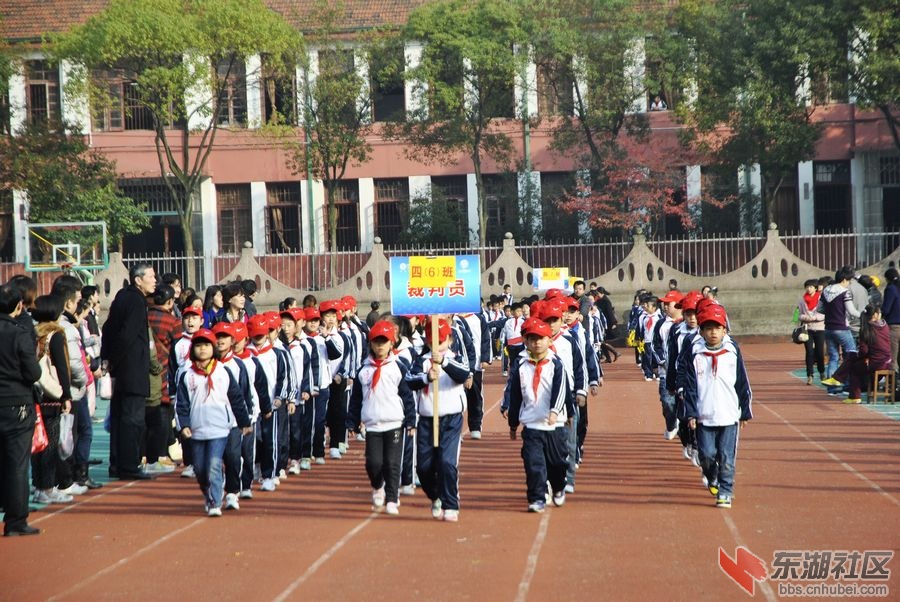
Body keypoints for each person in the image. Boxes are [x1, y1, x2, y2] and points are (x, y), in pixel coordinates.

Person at [682, 303, 752, 509]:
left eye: (718, 328)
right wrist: (692, 413)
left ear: (724, 330)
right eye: (709, 328)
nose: (713, 332)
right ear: (702, 331)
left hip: (729, 415)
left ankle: (725, 491)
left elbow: (742, 382)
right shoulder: (696, 353)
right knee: (706, 455)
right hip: (704, 415)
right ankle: (712, 477)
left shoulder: (732, 352)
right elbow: (690, 386)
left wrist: (745, 411)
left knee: (726, 456)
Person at [175, 329, 251, 517]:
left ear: (213, 348)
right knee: (200, 468)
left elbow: (236, 398)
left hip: (219, 429)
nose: (202, 349)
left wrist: (244, 421)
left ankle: (215, 501)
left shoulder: (223, 372)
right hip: (197, 430)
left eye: (207, 345)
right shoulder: (187, 375)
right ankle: (208, 492)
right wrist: (183, 425)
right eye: (199, 345)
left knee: (214, 464)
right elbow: (182, 404)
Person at [346, 320, 417, 515]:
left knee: (392, 463)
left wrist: (411, 420)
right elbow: (356, 398)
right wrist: (352, 421)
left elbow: (407, 396)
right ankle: (378, 486)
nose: (380, 346)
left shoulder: (398, 367)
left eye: (384, 342)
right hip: (373, 425)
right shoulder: (364, 370)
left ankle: (392, 498)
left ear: (391, 344)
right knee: (374, 463)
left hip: (394, 422)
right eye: (376, 342)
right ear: (370, 344)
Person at [502, 318, 570, 513]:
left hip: (554, 425)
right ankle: (536, 498)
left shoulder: (556, 364)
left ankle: (558, 487)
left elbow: (560, 390)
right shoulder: (521, 366)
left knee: (557, 463)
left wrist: (554, 412)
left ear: (549, 340)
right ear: (526, 341)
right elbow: (515, 397)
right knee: (534, 463)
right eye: (532, 339)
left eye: (541, 338)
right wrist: (513, 425)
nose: (537, 343)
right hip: (532, 425)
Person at [406, 319, 470, 522]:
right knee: (423, 468)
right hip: (426, 419)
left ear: (449, 340)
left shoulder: (455, 357)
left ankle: (451, 503)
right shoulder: (420, 360)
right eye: (433, 341)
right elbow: (409, 381)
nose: (437, 345)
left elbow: (463, 374)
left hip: (451, 419)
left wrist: (444, 363)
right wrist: (426, 378)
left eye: (441, 341)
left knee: (446, 462)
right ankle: (436, 496)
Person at [102, 262, 156, 480]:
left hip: (123, 369)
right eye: (151, 276)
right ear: (138, 279)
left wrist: (109, 357)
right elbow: (127, 334)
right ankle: (129, 465)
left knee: (119, 417)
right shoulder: (135, 300)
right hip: (132, 369)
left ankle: (117, 464)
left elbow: (108, 328)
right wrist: (113, 359)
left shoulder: (122, 297)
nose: (154, 280)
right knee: (132, 420)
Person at [0, 283, 43, 536]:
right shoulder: (18, 334)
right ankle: (15, 521)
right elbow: (33, 372)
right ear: (18, 306)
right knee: (17, 463)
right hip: (17, 402)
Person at [32, 295, 78, 503]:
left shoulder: (32, 334)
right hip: (52, 395)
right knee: (50, 443)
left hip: (35, 393)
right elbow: (61, 367)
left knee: (37, 442)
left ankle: (38, 484)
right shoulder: (55, 335)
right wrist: (66, 395)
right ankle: (48, 487)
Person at [819, 266, 861, 395]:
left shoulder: (825, 291)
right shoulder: (844, 292)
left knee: (833, 358)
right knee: (851, 355)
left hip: (828, 328)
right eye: (849, 280)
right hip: (841, 328)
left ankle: (832, 388)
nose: (849, 283)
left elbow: (819, 309)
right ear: (844, 279)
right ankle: (848, 385)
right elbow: (851, 311)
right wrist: (863, 315)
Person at [798, 279, 826, 385]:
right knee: (809, 352)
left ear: (815, 288)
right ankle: (809, 375)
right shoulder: (802, 300)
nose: (809, 289)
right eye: (807, 287)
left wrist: (814, 317)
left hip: (820, 328)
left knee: (819, 352)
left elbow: (824, 314)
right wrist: (805, 317)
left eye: (811, 287)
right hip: (807, 329)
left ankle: (822, 372)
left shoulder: (821, 299)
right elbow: (798, 315)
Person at [882, 268, 900, 373]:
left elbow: (886, 309)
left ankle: (893, 384)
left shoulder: (891, 289)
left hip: (894, 327)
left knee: (892, 358)